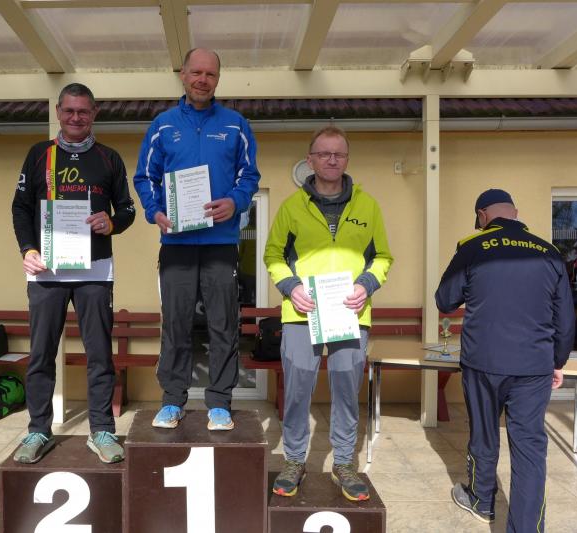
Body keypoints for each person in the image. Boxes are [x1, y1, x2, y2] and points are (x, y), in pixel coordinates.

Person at [132, 48, 260, 431]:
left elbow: (249, 176)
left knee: (223, 324)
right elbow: (145, 177)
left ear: (218, 79)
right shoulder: (162, 126)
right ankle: (172, 400)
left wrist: (235, 202)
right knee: (176, 323)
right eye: (196, 72)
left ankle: (219, 403)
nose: (203, 80)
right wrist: (154, 211)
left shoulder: (236, 125)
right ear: (183, 75)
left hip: (221, 244)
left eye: (210, 74)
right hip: (177, 246)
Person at [264, 126, 393, 501]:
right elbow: (273, 255)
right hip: (301, 314)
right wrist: (292, 287)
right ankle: (294, 460)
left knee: (346, 391)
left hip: (350, 314)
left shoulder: (368, 206)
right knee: (297, 391)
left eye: (338, 154)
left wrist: (366, 284)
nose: (331, 159)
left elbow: (382, 256)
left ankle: (344, 464)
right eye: (324, 153)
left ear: (347, 159)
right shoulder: (291, 207)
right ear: (310, 160)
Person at [11, 83, 136, 464]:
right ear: (58, 112)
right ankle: (38, 430)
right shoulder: (39, 154)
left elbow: (128, 210)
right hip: (46, 273)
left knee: (99, 354)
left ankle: (102, 430)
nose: (76, 117)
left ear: (94, 113)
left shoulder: (109, 158)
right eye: (69, 111)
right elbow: (20, 208)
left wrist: (111, 223)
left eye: (83, 111)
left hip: (95, 272)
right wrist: (28, 250)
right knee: (41, 354)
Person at [435, 189, 575, 530]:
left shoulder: (472, 247)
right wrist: (557, 362)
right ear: (515, 212)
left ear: (482, 216)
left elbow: (445, 300)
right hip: (534, 365)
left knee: (484, 433)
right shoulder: (549, 251)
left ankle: (482, 501)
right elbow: (565, 317)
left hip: (483, 361)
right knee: (530, 447)